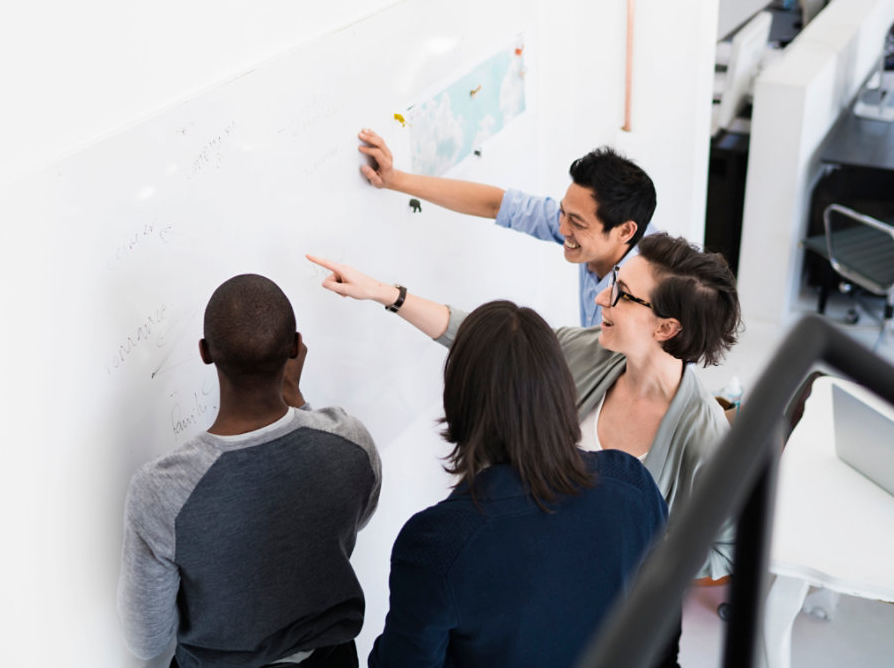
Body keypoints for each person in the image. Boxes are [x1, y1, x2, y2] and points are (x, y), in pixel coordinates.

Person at [307, 232, 739, 579]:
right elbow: (488, 340)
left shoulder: (705, 437)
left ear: (666, 327)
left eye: (623, 295)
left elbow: (728, 551)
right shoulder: (586, 350)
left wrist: (638, 559)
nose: (601, 299)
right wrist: (387, 294)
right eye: (613, 284)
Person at [367, 300, 668, 667]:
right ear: (559, 386)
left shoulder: (437, 541)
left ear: (461, 398)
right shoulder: (631, 483)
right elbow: (658, 620)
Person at [118, 273, 382, 668]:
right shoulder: (351, 444)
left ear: (205, 352)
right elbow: (351, 520)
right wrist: (296, 401)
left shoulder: (159, 491)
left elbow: (146, 640)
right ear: (295, 348)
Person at [356, 128, 657, 327]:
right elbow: (496, 204)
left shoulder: (646, 302)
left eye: (576, 222)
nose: (562, 227)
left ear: (625, 231)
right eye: (563, 213)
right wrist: (396, 180)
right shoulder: (598, 236)